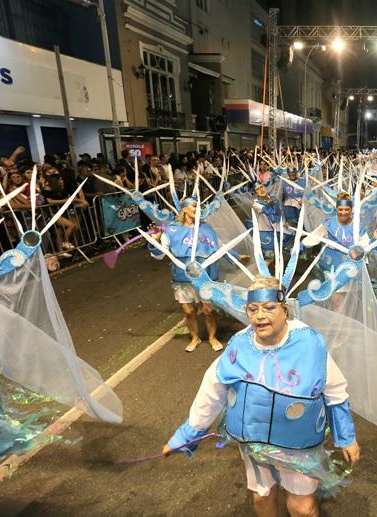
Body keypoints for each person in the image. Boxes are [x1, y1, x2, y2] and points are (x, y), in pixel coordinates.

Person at [162, 276, 360, 517]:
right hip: (253, 442)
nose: (260, 316)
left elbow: (335, 390)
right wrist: (185, 436)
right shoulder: (239, 345)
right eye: (253, 309)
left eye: (269, 308)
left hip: (298, 444)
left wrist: (346, 436)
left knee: (303, 508)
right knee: (262, 498)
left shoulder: (309, 343)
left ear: (284, 310)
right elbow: (212, 390)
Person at [148, 197, 225, 352]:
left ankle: (212, 337)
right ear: (184, 209)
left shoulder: (207, 228)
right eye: (194, 206)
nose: (198, 209)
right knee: (189, 312)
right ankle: (195, 338)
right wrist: (155, 241)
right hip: (182, 277)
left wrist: (237, 257)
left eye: (199, 206)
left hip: (205, 276)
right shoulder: (171, 230)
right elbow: (159, 255)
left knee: (208, 310)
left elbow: (220, 249)